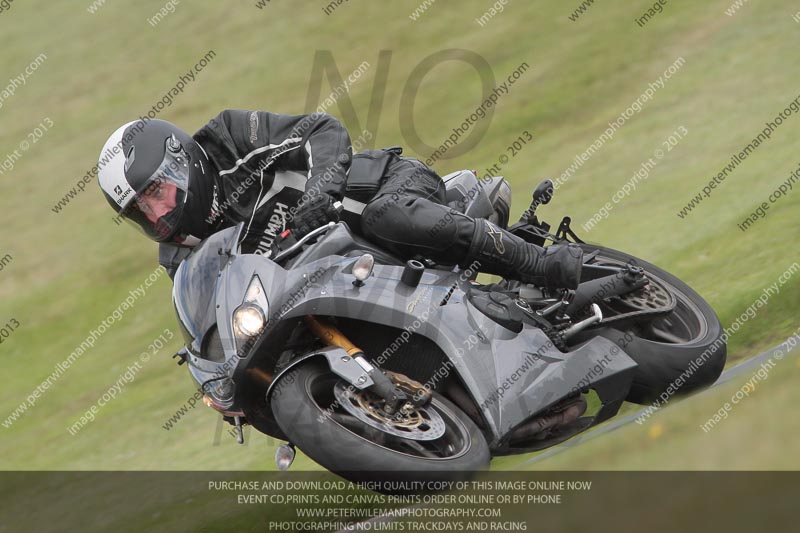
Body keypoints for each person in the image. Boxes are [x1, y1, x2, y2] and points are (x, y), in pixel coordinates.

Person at [97, 110, 582, 287]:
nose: (157, 213)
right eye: (139, 209)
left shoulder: (228, 137)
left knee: (385, 216)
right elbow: (214, 314)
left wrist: (316, 194)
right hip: (334, 277)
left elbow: (321, 130)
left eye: (155, 191)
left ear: (182, 161)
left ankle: (539, 264)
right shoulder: (179, 256)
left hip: (378, 189)